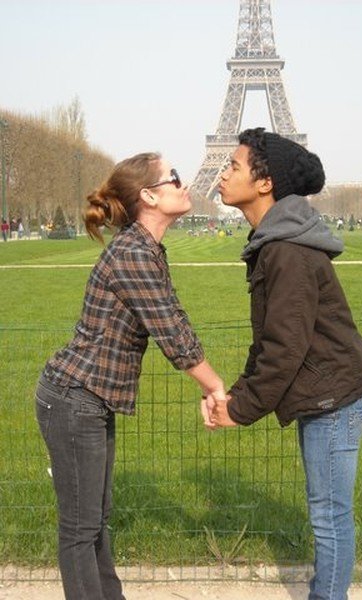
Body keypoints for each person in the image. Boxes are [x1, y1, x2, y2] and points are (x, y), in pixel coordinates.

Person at [35, 152, 223, 600]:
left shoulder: (146, 249)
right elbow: (173, 336)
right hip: (73, 397)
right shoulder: (134, 254)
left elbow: (175, 317)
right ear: (149, 196)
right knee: (81, 528)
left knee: (96, 518)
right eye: (173, 178)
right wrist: (215, 387)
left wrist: (209, 382)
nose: (183, 183)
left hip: (88, 398)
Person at [210, 128, 362, 600]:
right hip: (327, 387)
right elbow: (270, 340)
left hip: (335, 393)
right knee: (327, 511)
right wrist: (239, 394)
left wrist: (238, 409)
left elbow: (284, 350)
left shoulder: (286, 249)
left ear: (266, 184)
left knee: (329, 514)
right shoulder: (275, 240)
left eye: (235, 166)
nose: (224, 173)